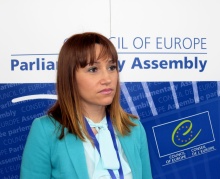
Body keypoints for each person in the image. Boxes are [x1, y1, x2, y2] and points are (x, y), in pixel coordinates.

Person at [20, 32, 152, 179]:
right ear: (70, 77)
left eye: (112, 67)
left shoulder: (134, 128)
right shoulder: (46, 130)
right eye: (93, 69)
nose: (107, 79)